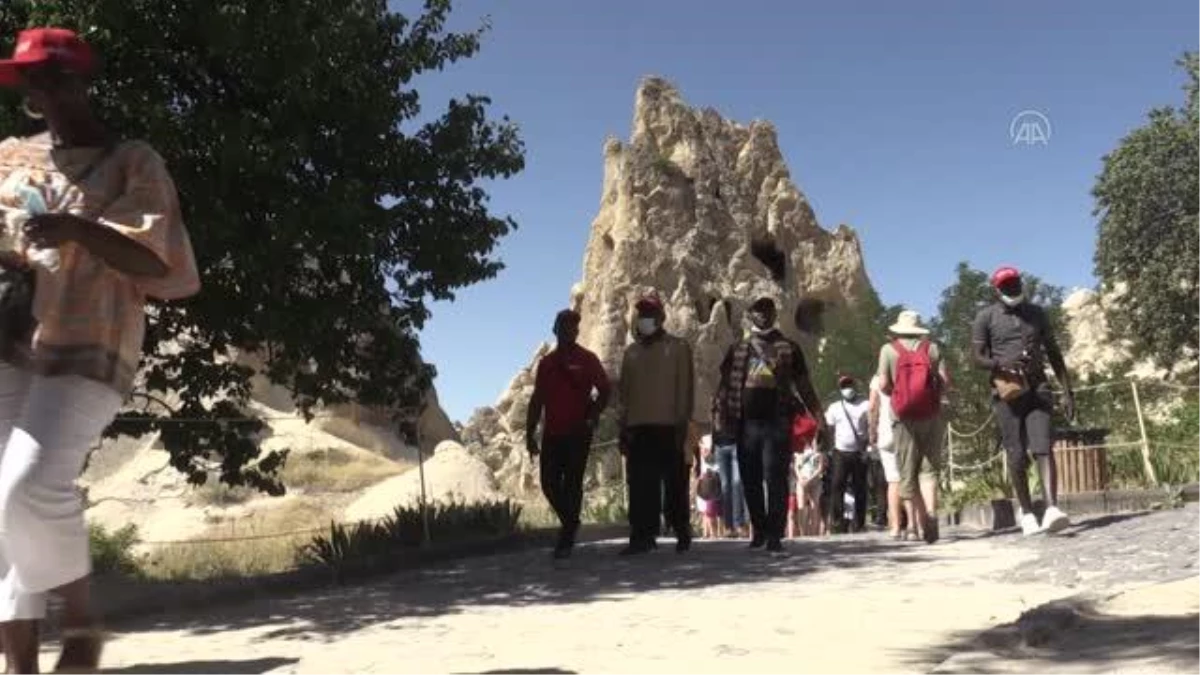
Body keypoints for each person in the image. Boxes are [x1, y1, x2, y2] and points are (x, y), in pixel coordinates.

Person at [0, 27, 200, 674]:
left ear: (83, 81)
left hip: (90, 343)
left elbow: (156, 258)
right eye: (33, 79)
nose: (44, 92)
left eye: (55, 78)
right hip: (9, 339)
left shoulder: (132, 161)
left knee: (24, 488)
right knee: (2, 518)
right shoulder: (6, 156)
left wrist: (78, 230)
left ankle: (83, 623)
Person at [713, 295, 824, 554]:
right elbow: (724, 388)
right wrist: (720, 419)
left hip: (777, 422)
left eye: (767, 310)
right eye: (757, 310)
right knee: (750, 479)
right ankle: (759, 530)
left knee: (775, 478)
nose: (762, 315)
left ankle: (775, 533)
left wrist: (819, 417)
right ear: (750, 315)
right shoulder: (738, 349)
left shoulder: (789, 347)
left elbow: (804, 385)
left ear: (775, 314)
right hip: (745, 423)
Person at [972, 266, 1076, 536]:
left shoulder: (1037, 313)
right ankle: (1028, 511)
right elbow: (978, 357)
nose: (1012, 288)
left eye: (1015, 283)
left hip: (1038, 388)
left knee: (1043, 447)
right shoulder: (986, 317)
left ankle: (1052, 508)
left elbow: (1054, 352)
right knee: (1016, 454)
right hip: (1007, 393)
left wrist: (1067, 391)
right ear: (997, 290)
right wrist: (1002, 363)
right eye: (1006, 285)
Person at [526, 309, 612, 559]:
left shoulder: (587, 359)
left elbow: (605, 389)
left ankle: (566, 538)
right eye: (564, 327)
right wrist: (529, 433)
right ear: (556, 329)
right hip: (552, 433)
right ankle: (571, 521)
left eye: (573, 328)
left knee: (573, 484)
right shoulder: (546, 364)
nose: (569, 331)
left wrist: (592, 415)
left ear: (576, 332)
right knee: (548, 483)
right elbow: (537, 399)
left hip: (577, 433)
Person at [617, 294, 695, 554]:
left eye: (650, 314)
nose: (645, 319)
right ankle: (641, 536)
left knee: (675, 484)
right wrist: (622, 429)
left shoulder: (678, 347)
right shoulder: (631, 353)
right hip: (638, 428)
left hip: (669, 426)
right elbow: (624, 396)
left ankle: (682, 530)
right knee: (640, 485)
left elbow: (685, 388)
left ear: (661, 318)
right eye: (641, 314)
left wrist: (682, 424)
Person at [875, 310, 949, 544]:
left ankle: (914, 528)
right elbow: (945, 381)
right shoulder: (932, 348)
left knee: (907, 470)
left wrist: (899, 395)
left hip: (902, 417)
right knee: (929, 469)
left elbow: (884, 384)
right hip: (931, 415)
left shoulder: (889, 350)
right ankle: (932, 514)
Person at [825, 375, 871, 533]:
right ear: (840, 389)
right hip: (840, 452)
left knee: (860, 487)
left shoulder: (865, 404)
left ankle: (860, 522)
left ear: (855, 386)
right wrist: (830, 450)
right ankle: (837, 522)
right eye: (844, 386)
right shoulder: (834, 407)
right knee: (837, 486)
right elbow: (829, 429)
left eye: (849, 384)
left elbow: (871, 425)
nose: (847, 388)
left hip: (859, 452)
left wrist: (869, 445)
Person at [869, 373, 908, 540]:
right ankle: (915, 524)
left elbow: (872, 407)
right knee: (910, 477)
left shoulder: (877, 378)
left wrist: (872, 431)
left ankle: (895, 526)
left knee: (893, 481)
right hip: (907, 429)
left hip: (886, 430)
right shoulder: (906, 374)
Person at [710, 425, 747, 538]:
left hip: (736, 443)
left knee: (737, 483)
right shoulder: (715, 407)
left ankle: (739, 524)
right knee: (725, 486)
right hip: (719, 445)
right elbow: (711, 421)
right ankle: (728, 526)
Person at [795, 440, 827, 537]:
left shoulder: (819, 449)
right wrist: (800, 478)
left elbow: (820, 468)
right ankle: (802, 533)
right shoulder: (799, 448)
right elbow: (796, 466)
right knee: (801, 507)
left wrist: (810, 479)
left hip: (815, 481)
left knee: (814, 506)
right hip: (802, 481)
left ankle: (813, 533)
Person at [695, 435, 722, 539]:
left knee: (711, 508)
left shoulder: (711, 439)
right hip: (705, 477)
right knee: (705, 509)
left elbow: (709, 457)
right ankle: (706, 533)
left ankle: (713, 533)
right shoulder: (704, 438)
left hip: (712, 478)